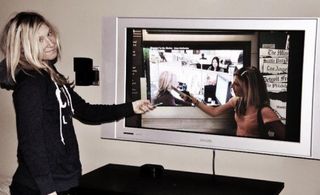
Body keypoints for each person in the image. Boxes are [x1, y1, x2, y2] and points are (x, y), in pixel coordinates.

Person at [0, 11, 154, 195]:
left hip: (64, 179)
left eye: (49, 34)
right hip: (39, 187)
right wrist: (48, 191)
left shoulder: (49, 72)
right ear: (24, 47)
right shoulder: (31, 84)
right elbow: (31, 144)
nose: (50, 42)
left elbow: (85, 110)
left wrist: (131, 107)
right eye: (39, 40)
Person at [181, 66, 286, 139]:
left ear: (248, 88)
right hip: (238, 148)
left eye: (236, 84)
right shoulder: (237, 101)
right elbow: (214, 111)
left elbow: (285, 136)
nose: (231, 86)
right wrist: (193, 100)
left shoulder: (264, 112)